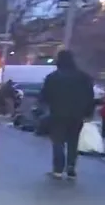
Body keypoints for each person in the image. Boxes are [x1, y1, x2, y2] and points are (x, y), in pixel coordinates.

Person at [39, 50, 95, 179]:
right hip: (77, 115)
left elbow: (45, 95)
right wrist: (88, 112)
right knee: (73, 141)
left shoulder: (53, 77)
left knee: (57, 141)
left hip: (57, 114)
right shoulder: (84, 77)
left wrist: (46, 106)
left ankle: (58, 169)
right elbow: (90, 96)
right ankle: (71, 167)